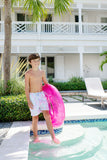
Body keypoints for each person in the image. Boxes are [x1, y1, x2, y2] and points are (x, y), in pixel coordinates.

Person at [25, 53, 60, 144]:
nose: (36, 62)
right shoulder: (28, 73)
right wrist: (29, 101)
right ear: (30, 62)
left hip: (41, 95)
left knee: (47, 115)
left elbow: (46, 84)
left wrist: (53, 94)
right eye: (34, 61)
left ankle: (53, 136)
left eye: (38, 60)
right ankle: (36, 137)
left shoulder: (42, 72)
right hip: (33, 96)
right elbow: (26, 88)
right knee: (35, 117)